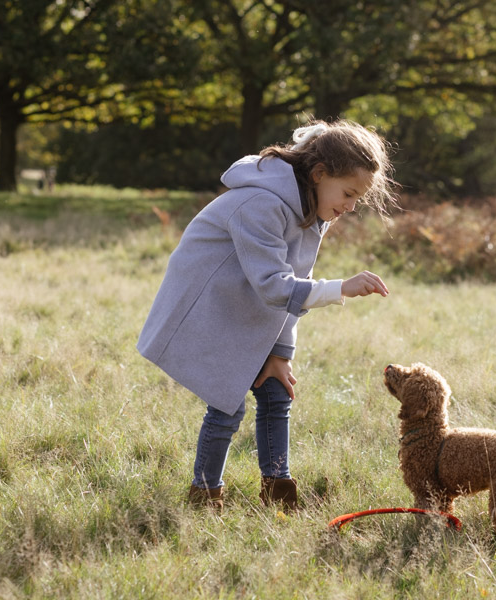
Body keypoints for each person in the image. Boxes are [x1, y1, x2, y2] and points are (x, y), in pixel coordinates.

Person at [137, 119, 397, 512]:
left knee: (277, 391)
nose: (351, 206)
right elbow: (277, 287)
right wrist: (341, 287)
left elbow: (294, 286)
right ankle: (204, 496)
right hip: (209, 305)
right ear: (319, 173)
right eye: (348, 193)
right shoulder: (262, 203)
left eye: (357, 198)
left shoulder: (312, 211)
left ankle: (279, 491)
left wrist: (280, 353)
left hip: (249, 303)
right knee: (228, 403)